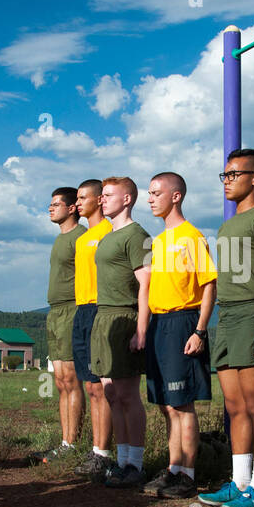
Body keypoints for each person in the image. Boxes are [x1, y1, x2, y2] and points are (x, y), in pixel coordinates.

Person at [198, 149, 254, 507]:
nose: (228, 180)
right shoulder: (226, 225)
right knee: (234, 407)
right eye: (225, 175)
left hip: (252, 313)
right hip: (227, 316)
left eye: (235, 174)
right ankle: (239, 482)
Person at [138, 172, 216, 499]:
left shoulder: (192, 237)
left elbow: (209, 285)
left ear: (176, 196)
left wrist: (199, 330)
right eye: (149, 193)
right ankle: (173, 468)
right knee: (166, 406)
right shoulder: (155, 242)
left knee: (182, 404)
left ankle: (188, 474)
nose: (150, 199)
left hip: (184, 322)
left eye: (156, 193)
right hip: (159, 325)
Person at [89, 176, 150, 488]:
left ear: (127, 199)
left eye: (109, 195)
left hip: (126, 317)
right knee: (111, 394)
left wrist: (140, 330)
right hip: (104, 317)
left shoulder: (137, 234)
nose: (103, 199)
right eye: (102, 195)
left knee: (127, 394)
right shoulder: (107, 236)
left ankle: (135, 466)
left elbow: (146, 284)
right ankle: (122, 461)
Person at [69, 180, 116, 479]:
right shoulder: (83, 237)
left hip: (101, 308)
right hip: (82, 309)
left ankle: (105, 453)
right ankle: (96, 451)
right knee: (90, 386)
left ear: (100, 200)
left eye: (83, 197)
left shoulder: (109, 233)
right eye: (76, 198)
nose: (78, 203)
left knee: (102, 385)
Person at [36, 187, 86, 464]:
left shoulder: (81, 237)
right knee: (59, 381)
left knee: (71, 379)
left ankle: (73, 445)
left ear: (71, 208)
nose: (50, 208)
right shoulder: (59, 239)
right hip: (54, 312)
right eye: (50, 203)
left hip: (72, 309)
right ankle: (64, 442)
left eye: (56, 204)